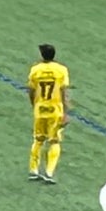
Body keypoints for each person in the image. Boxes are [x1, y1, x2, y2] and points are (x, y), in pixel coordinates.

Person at [26, 43, 69, 183]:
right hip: (55, 110)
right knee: (54, 141)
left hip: (40, 109)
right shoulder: (61, 70)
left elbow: (31, 91)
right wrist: (66, 112)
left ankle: (33, 170)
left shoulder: (35, 70)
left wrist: (34, 105)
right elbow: (63, 92)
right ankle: (49, 173)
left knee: (38, 140)